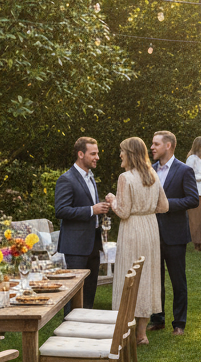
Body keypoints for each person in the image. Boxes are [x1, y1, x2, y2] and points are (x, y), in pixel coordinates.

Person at [111, 137, 169, 345]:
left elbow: (123, 211)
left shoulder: (125, 178)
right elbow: (164, 206)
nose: (120, 155)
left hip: (133, 229)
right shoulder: (152, 175)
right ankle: (141, 334)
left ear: (130, 154)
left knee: (130, 275)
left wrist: (112, 201)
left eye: (122, 151)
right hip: (151, 229)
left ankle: (126, 330)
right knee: (146, 276)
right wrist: (146, 208)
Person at [148, 131, 199, 335]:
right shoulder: (149, 170)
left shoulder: (184, 170)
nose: (152, 147)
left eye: (156, 144)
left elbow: (192, 199)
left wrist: (166, 205)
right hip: (152, 233)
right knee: (155, 279)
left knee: (178, 280)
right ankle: (157, 318)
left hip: (175, 234)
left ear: (168, 146)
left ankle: (179, 323)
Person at [55, 136, 110, 310]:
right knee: (74, 294)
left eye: (97, 153)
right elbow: (61, 210)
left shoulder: (90, 177)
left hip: (93, 243)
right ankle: (68, 331)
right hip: (75, 246)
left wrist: (101, 209)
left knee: (89, 291)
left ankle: (86, 326)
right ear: (81, 154)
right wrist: (91, 210)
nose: (97, 157)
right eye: (93, 154)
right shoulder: (67, 179)